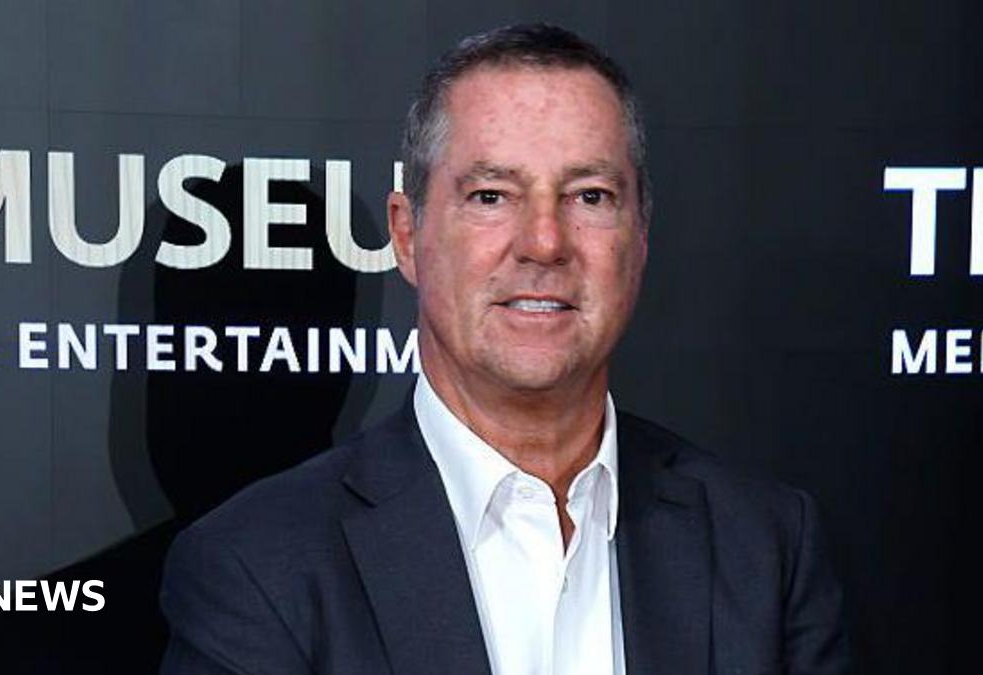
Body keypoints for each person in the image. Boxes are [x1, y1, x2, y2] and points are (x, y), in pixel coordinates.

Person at [160, 23, 850, 675]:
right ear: (407, 235)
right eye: (491, 196)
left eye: (590, 196)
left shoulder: (766, 547)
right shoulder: (259, 566)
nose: (544, 242)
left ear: (639, 238)